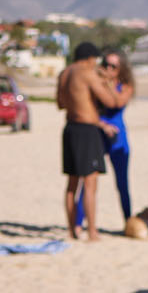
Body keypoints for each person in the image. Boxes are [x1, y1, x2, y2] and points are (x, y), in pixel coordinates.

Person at [57, 43, 121, 241]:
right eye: (95, 60)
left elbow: (60, 103)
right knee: (90, 183)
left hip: (70, 128)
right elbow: (111, 101)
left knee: (72, 184)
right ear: (89, 58)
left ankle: (71, 230)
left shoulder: (64, 74)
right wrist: (107, 82)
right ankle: (92, 231)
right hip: (86, 131)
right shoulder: (86, 73)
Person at [93, 49, 138, 225]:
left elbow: (118, 102)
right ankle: (79, 224)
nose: (109, 69)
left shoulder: (126, 86)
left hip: (118, 137)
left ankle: (128, 221)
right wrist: (101, 125)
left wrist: (109, 85)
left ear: (121, 69)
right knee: (89, 180)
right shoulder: (96, 84)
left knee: (122, 184)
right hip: (98, 133)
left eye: (113, 66)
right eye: (106, 65)